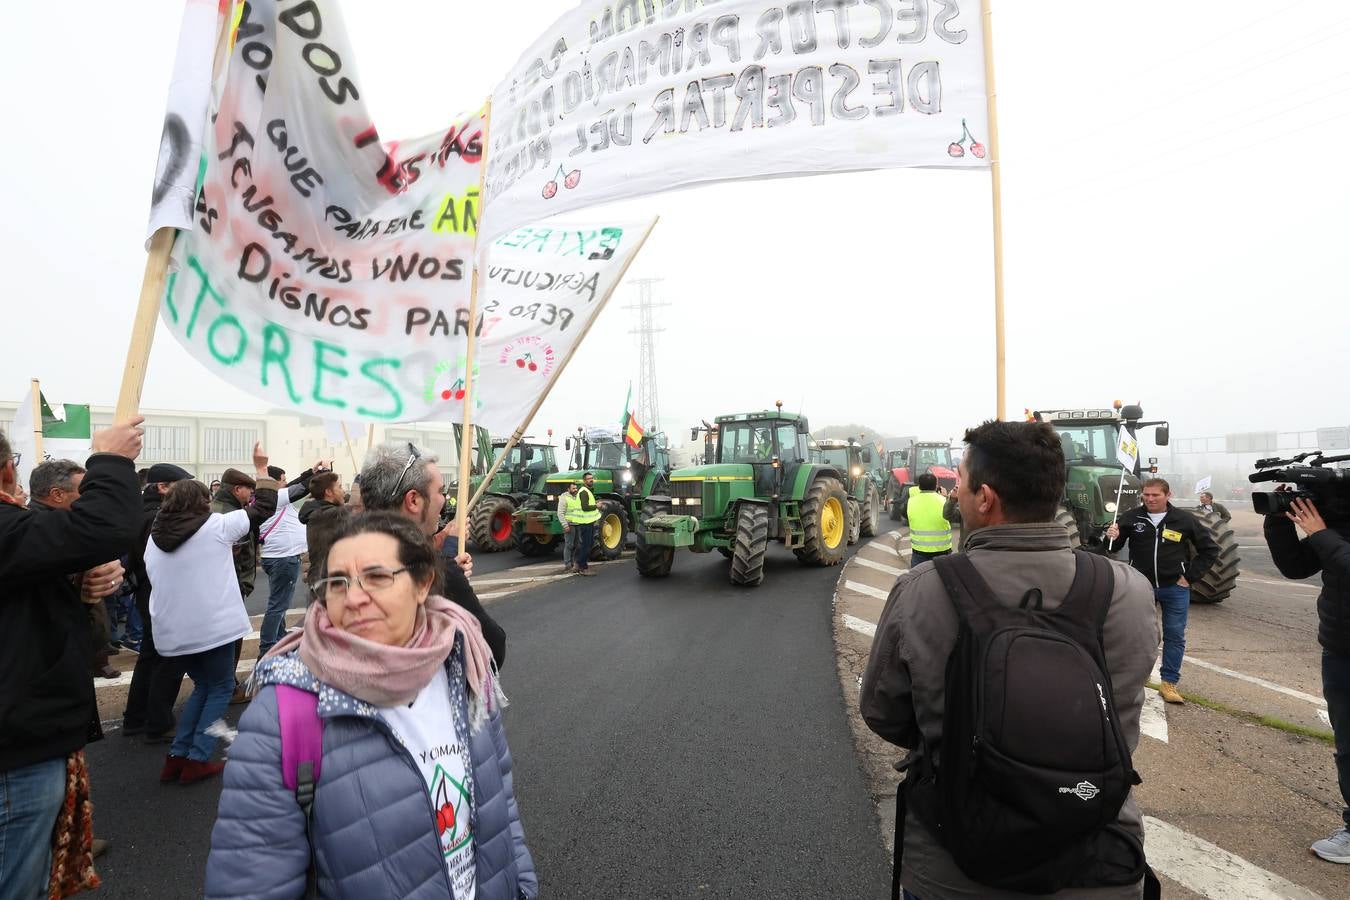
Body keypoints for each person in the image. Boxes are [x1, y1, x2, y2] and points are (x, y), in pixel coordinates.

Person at [861, 420, 1159, 900]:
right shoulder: (1127, 590)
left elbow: (883, 713)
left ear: (985, 498)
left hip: (954, 865)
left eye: (960, 480)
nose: (954, 491)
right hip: (1099, 858)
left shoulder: (922, 590)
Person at [205, 513, 536, 898]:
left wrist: (521, 885)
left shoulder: (465, 668)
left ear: (422, 583)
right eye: (338, 582)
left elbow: (500, 802)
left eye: (377, 577)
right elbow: (249, 884)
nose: (355, 597)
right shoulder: (283, 714)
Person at [0, 419, 145, 898]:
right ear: (5, 470)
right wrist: (112, 459)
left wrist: (71, 588)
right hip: (15, 753)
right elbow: (102, 528)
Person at [146, 443, 277, 785]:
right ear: (201, 502)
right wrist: (262, 470)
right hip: (211, 628)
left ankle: (178, 756)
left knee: (203, 686)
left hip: (173, 632)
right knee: (219, 687)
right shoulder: (216, 526)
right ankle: (198, 758)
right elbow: (264, 505)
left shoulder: (154, 537)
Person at [359, 442, 506, 668]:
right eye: (440, 491)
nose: (444, 500)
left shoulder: (343, 557)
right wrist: (447, 570)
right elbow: (492, 651)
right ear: (414, 500)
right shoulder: (428, 575)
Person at [1264, 494, 1350, 863]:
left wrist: (1321, 534)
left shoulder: (1328, 532)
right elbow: (1297, 567)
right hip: (1340, 648)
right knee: (1348, 747)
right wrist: (1278, 521)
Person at [1106, 478, 1220, 704]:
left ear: (1168, 495)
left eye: (1155, 495)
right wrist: (1112, 536)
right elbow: (1113, 548)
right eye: (1146, 495)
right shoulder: (1131, 517)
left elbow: (1210, 550)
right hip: (1140, 588)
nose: (1149, 499)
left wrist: (1189, 577)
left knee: (1175, 635)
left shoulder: (1184, 520)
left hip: (1174, 588)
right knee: (1136, 635)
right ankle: (1133, 678)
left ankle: (1169, 683)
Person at [28, 459, 123, 679]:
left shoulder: (63, 529)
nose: (91, 500)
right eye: (85, 492)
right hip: (56, 660)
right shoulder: (45, 534)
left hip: (74, 649)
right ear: (57, 494)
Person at [121, 463, 195, 743]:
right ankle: (158, 723)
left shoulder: (143, 512)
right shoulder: (157, 517)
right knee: (168, 658)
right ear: (162, 487)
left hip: (148, 591)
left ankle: (135, 718)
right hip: (160, 593)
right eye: (181, 485)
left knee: (150, 657)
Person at [258, 461, 325, 657]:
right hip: (283, 558)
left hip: (276, 557)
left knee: (278, 601)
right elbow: (300, 489)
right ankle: (268, 647)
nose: (286, 483)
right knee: (278, 605)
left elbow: (295, 485)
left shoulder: (268, 497)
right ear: (274, 483)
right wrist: (322, 472)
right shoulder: (275, 497)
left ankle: (278, 636)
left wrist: (310, 471)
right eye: (283, 480)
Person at [300, 469, 348, 575]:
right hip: (328, 580)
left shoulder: (318, 511)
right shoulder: (328, 514)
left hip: (324, 577)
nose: (343, 491)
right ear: (328, 492)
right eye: (339, 487)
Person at [906, 472, 958, 566]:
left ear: (919, 486)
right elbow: (953, 516)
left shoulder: (911, 501)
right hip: (942, 551)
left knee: (919, 579)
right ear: (936, 485)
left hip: (919, 551)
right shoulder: (943, 500)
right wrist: (947, 497)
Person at [572, 472, 601, 576]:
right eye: (589, 479)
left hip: (587, 522)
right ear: (584, 481)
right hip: (585, 522)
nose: (591, 480)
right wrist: (596, 506)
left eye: (592, 478)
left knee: (585, 544)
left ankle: (577, 564)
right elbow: (585, 507)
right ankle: (583, 567)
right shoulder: (584, 492)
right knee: (586, 545)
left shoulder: (586, 491)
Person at [559, 480, 582, 572]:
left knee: (577, 545)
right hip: (569, 524)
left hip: (577, 524)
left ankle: (573, 563)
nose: (575, 489)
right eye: (573, 488)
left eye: (576, 488)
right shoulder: (564, 498)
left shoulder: (577, 497)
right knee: (569, 545)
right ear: (568, 489)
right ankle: (567, 565)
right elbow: (560, 513)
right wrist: (565, 525)